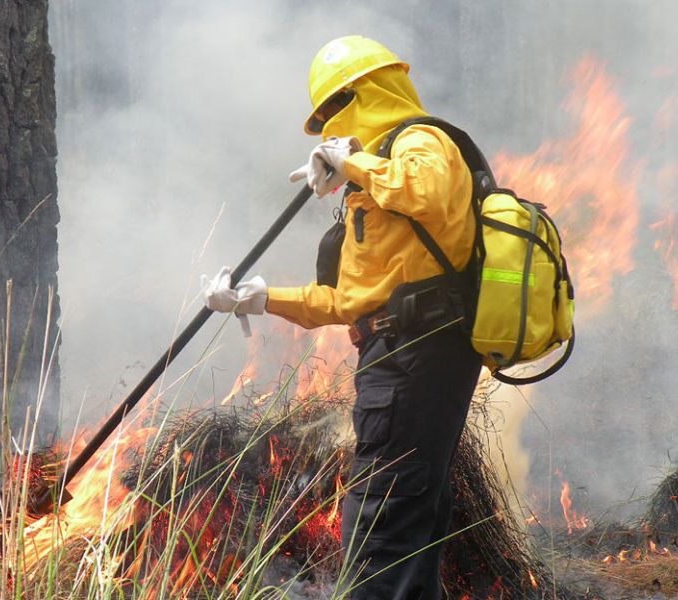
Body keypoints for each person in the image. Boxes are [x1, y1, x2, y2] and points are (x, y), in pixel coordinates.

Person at [203, 35, 483, 600]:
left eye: (335, 109)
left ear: (369, 91)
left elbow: (426, 191)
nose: (330, 126)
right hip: (399, 357)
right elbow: (350, 303)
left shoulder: (420, 141)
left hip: (415, 359)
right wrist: (260, 298)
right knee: (406, 526)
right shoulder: (372, 184)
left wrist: (350, 160)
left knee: (379, 530)